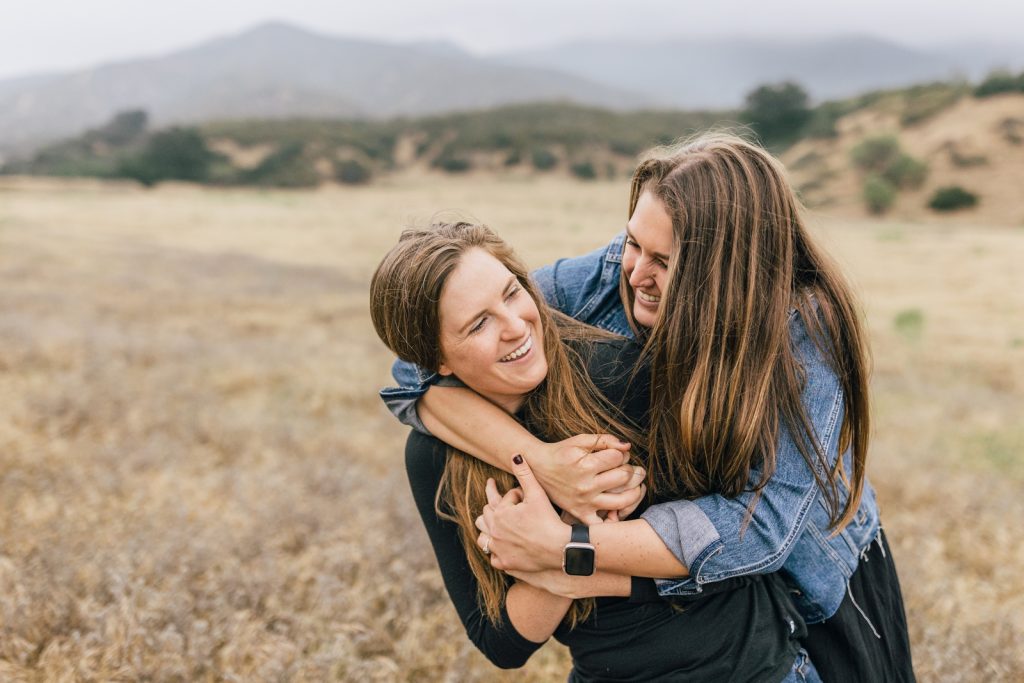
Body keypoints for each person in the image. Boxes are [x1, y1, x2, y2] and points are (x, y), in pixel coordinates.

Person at [382, 134, 915, 681]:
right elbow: (416, 366)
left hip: (817, 576)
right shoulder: (609, 277)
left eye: (664, 260)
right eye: (633, 242)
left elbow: (757, 535)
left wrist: (566, 550)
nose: (634, 273)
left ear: (725, 274)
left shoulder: (801, 332)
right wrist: (540, 465)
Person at [370, 222, 816, 681]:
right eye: (479, 323)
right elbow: (499, 641)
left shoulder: (615, 375)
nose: (515, 326)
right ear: (436, 358)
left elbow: (736, 559)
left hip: (748, 669)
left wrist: (561, 554)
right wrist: (561, 543)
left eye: (512, 293)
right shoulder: (432, 455)